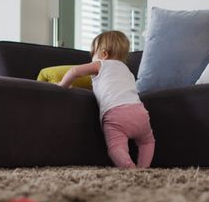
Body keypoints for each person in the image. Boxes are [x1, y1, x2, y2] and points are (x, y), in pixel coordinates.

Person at [57, 31, 155, 168]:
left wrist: (63, 85)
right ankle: (144, 168)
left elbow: (74, 71)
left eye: (93, 54)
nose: (92, 58)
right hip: (140, 113)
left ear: (104, 54)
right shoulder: (127, 71)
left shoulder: (100, 64)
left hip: (116, 115)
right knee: (147, 142)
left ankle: (131, 169)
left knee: (116, 148)